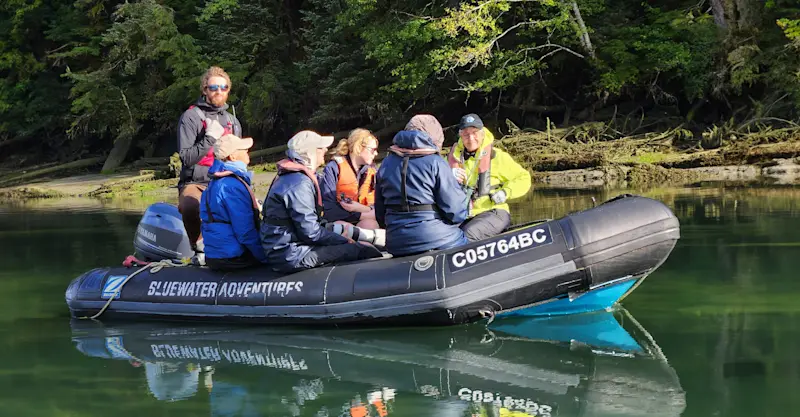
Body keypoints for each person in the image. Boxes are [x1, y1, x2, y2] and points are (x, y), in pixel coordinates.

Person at [260, 130, 382, 272]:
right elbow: (311, 233)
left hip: (290, 247)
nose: (325, 150)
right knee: (362, 249)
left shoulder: (294, 178)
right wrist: (343, 240)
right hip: (290, 254)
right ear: (310, 153)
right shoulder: (299, 184)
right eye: (321, 148)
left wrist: (337, 234)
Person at [374, 115, 469, 257]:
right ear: (435, 136)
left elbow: (380, 214)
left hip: (396, 242)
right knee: (466, 240)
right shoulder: (436, 162)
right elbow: (456, 212)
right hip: (436, 238)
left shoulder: (385, 164)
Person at [177, 66, 243, 251]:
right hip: (197, 182)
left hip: (226, 180)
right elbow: (186, 158)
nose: (218, 91)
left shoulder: (233, 121)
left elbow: (239, 158)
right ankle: (198, 246)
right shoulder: (190, 117)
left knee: (249, 206)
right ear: (205, 90)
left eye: (223, 87)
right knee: (190, 205)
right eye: (213, 87)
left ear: (228, 90)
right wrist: (209, 138)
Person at [448, 114, 531, 241]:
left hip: (493, 212)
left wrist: (505, 192)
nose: (471, 138)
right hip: (463, 216)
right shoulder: (452, 159)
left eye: (474, 133)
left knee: (468, 234)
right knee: (442, 236)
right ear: (460, 136)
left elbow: (524, 178)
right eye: (466, 134)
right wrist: (448, 174)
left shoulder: (497, 157)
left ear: (482, 133)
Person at [199, 134, 268, 271]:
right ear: (233, 156)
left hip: (215, 255)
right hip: (232, 256)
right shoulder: (232, 186)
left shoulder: (215, 183)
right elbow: (245, 232)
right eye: (243, 149)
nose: (247, 151)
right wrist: (266, 257)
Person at [319, 128, 380, 229]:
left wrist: (361, 208)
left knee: (370, 224)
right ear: (358, 147)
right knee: (344, 227)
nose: (376, 153)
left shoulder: (373, 171)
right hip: (340, 220)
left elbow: (381, 206)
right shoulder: (333, 168)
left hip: (364, 220)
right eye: (373, 150)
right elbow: (329, 210)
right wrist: (362, 215)